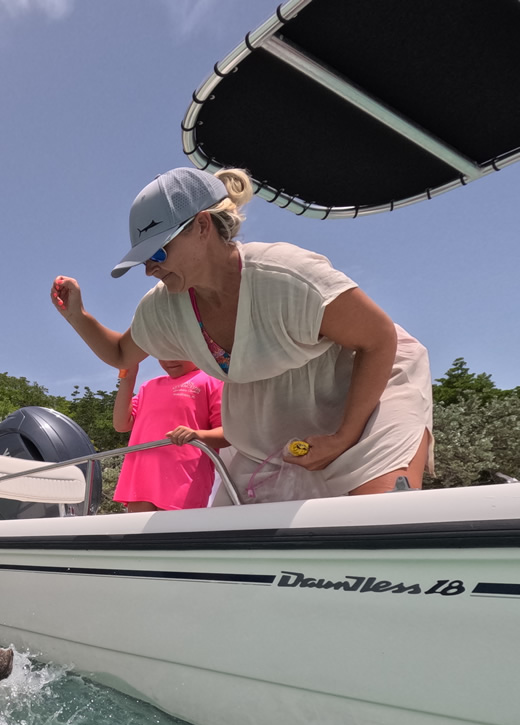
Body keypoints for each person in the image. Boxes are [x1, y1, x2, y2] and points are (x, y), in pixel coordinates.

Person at [52, 166, 432, 504]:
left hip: (367, 392)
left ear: (202, 226)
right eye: (143, 259)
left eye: (159, 253)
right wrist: (77, 316)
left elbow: (379, 339)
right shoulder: (163, 306)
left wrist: (344, 436)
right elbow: (121, 354)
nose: (150, 269)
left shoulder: (286, 276)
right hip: (266, 416)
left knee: (374, 526)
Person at [113, 358, 226, 512]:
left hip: (185, 479)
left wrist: (196, 434)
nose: (168, 360)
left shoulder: (212, 380)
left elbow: (226, 434)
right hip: (141, 478)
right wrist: (128, 376)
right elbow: (121, 424)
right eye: (162, 353)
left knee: (175, 534)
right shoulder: (149, 386)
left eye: (175, 351)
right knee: (141, 535)